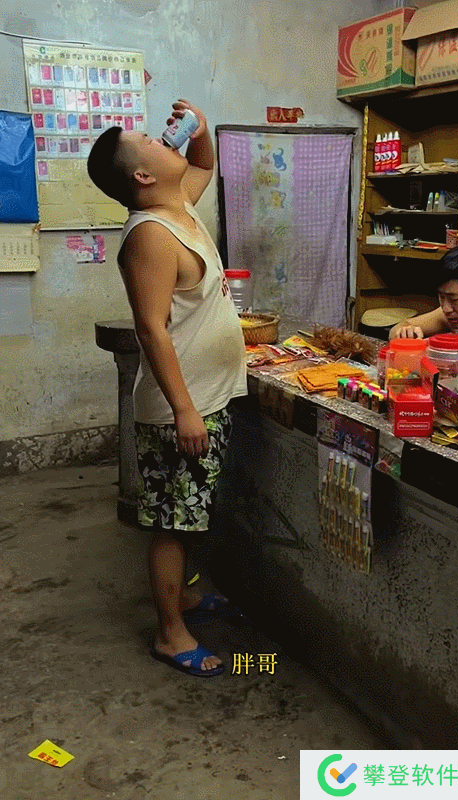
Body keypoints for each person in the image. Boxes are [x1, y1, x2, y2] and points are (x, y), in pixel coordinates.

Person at [87, 100, 248, 677]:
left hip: (207, 397)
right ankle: (170, 634)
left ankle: (185, 595)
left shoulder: (177, 206)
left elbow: (201, 164)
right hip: (183, 407)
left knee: (190, 512)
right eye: (151, 143)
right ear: (141, 175)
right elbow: (150, 329)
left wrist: (198, 124)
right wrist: (184, 410)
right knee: (171, 524)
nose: (164, 138)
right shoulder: (151, 235)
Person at [389, 245, 458, 370]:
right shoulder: (453, 314)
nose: (446, 309)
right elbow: (396, 330)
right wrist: (406, 334)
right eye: (441, 297)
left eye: (454, 299)